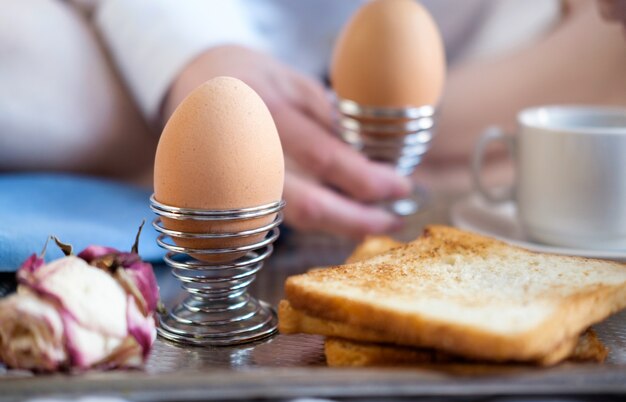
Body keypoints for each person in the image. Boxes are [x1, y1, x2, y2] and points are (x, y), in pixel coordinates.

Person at [2, 0, 626, 238]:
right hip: (145, 55)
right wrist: (192, 54)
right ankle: (212, 143)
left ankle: (212, 158)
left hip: (487, 73)